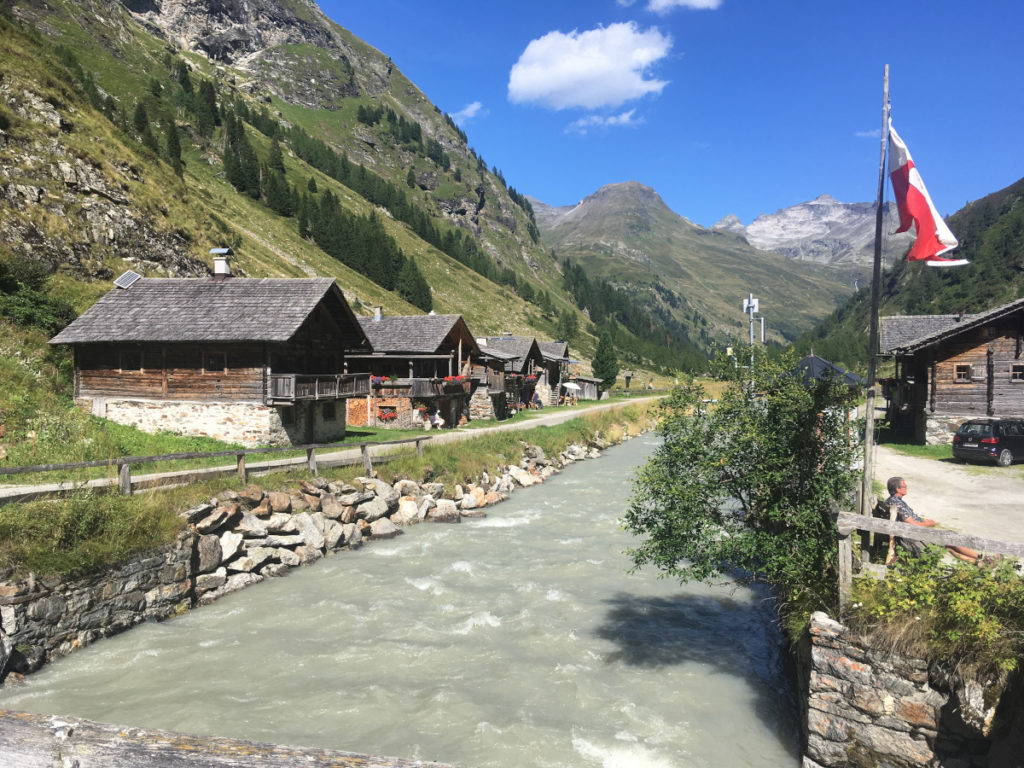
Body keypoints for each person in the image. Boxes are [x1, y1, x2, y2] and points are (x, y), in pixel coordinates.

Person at [885, 477, 984, 564]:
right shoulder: (897, 503)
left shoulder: (892, 501)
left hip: (909, 536)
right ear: (898, 489)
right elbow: (913, 525)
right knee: (950, 537)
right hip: (913, 539)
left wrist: (923, 522)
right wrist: (928, 524)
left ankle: (979, 562)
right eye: (904, 487)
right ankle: (981, 558)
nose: (906, 488)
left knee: (948, 545)